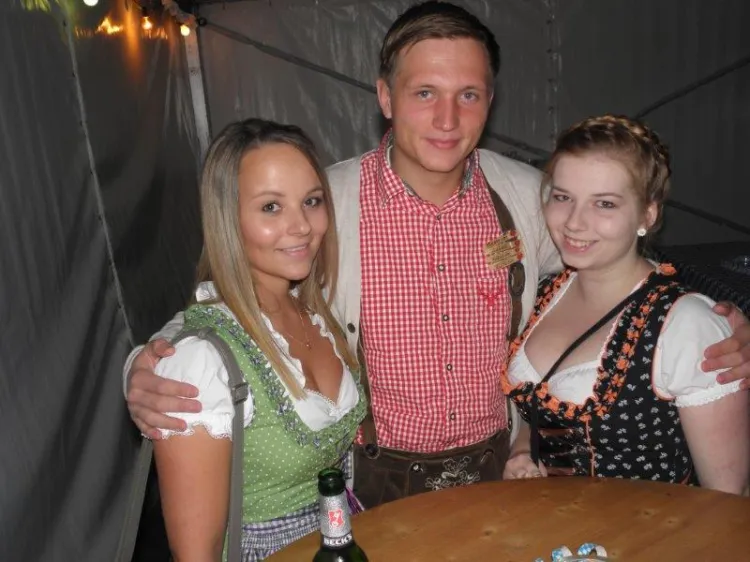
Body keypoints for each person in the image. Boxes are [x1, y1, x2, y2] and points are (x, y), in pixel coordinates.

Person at [124, 1, 750, 509]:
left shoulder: (529, 197)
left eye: (468, 95)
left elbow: (617, 262)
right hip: (375, 479)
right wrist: (151, 362)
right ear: (385, 97)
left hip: (503, 468)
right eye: (424, 92)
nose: (447, 118)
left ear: (490, 101)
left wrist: (715, 317)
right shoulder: (325, 203)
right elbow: (233, 289)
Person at [149, 118, 366, 561]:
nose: (301, 226)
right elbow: (196, 554)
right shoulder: (200, 361)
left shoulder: (315, 310)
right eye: (271, 207)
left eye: (311, 201)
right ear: (227, 219)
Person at [501, 115, 749, 494]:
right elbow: (536, 409)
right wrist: (523, 451)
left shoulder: (686, 326)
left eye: (604, 204)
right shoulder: (546, 293)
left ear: (647, 214)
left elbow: (727, 497)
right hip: (547, 525)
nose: (574, 223)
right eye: (563, 197)